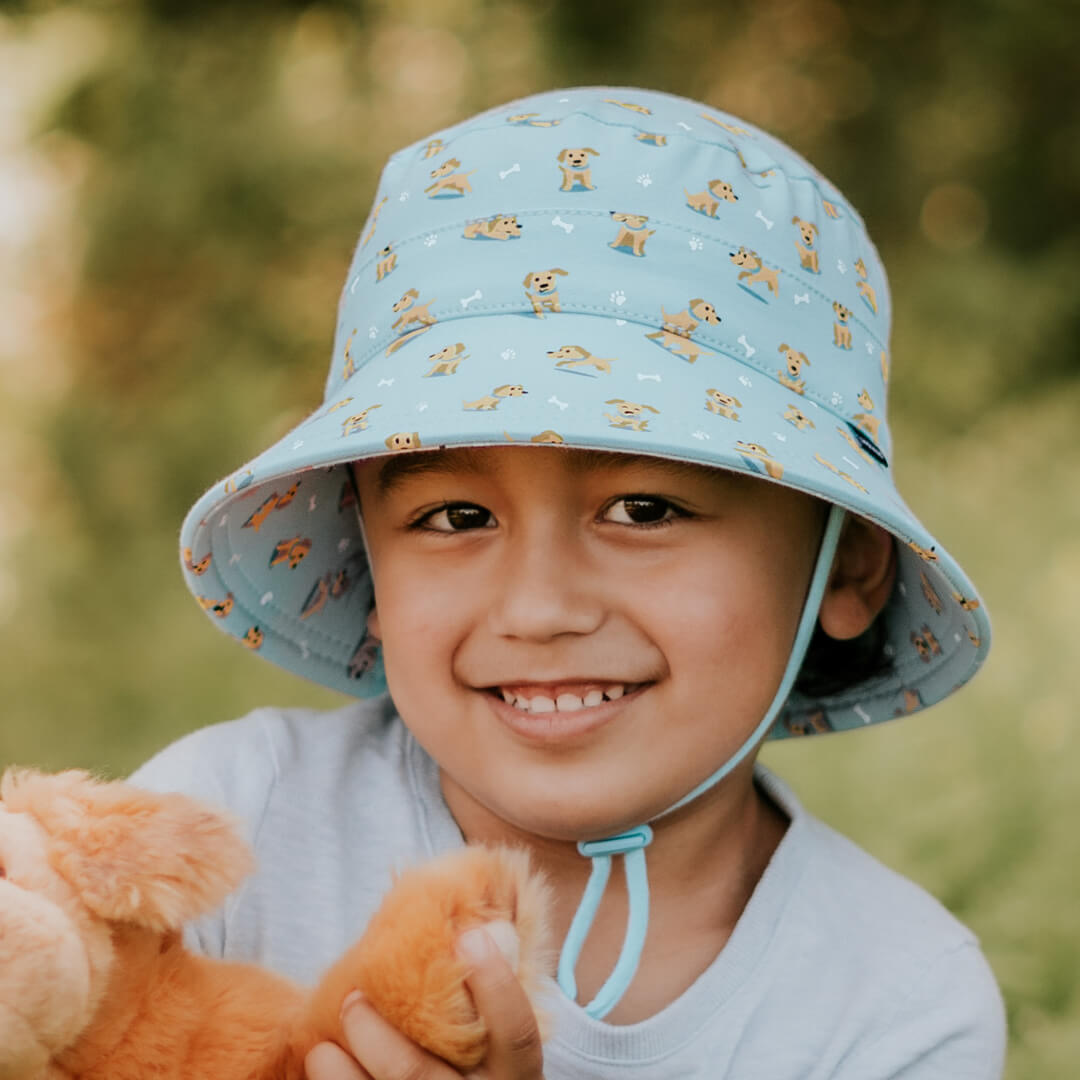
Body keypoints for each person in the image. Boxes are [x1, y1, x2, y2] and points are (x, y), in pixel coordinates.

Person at [130, 85, 1006, 1078]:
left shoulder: (894, 1004)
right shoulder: (221, 837)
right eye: (455, 517)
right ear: (365, 551)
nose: (539, 609)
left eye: (644, 509)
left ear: (847, 562)